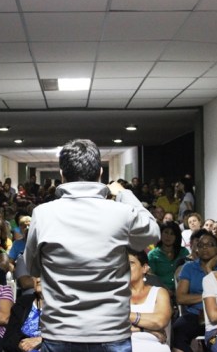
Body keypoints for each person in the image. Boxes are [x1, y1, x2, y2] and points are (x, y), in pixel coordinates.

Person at [25, 139, 160, 351]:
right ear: (99, 173)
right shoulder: (121, 212)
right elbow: (152, 232)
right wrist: (123, 192)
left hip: (60, 332)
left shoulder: (42, 214)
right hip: (111, 332)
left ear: (62, 174)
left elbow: (33, 267)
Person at [173, 231, 217, 352]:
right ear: (196, 249)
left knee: (215, 340)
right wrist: (207, 296)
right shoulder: (189, 267)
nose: (205, 248)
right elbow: (181, 298)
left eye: (210, 244)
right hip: (195, 315)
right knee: (178, 329)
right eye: (201, 245)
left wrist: (209, 268)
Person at [129, 249, 172, 352]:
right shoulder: (114, 294)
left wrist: (123, 315)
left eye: (131, 263)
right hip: (122, 345)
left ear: (144, 268)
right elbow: (107, 326)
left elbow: (159, 321)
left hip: (154, 345)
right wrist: (145, 329)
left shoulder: (159, 292)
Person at [2, 277, 43, 352]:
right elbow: (8, 340)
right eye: (36, 275)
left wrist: (41, 340)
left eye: (44, 274)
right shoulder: (22, 303)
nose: (38, 279)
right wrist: (20, 344)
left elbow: (69, 338)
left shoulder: (65, 307)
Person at [148, 221, 189, 293]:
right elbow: (152, 277)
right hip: (160, 292)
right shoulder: (152, 255)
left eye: (172, 234)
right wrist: (165, 290)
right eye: (166, 232)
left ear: (176, 237)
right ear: (160, 234)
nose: (168, 236)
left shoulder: (183, 252)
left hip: (183, 291)